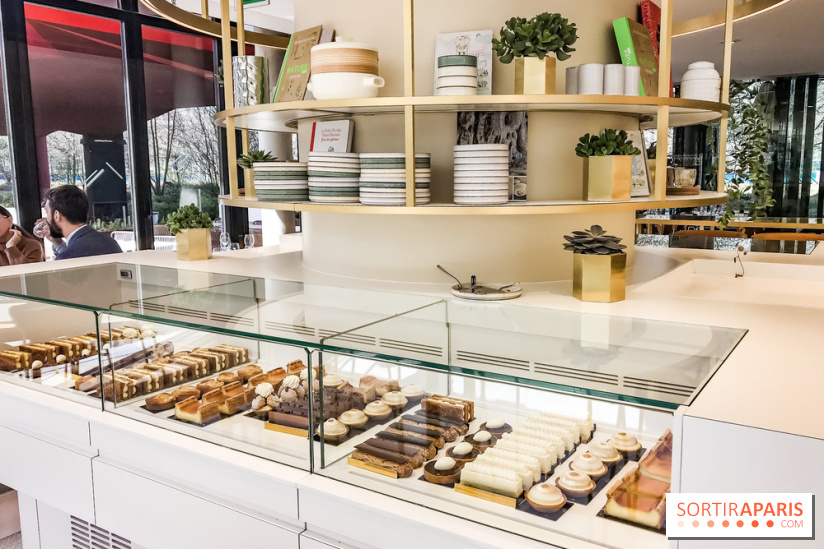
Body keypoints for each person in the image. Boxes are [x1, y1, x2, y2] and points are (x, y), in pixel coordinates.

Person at [38, 186, 122, 260]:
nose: (46, 219)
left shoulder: (68, 256)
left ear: (57, 215)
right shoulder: (110, 242)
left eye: (47, 213)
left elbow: (72, 255)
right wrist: (57, 242)